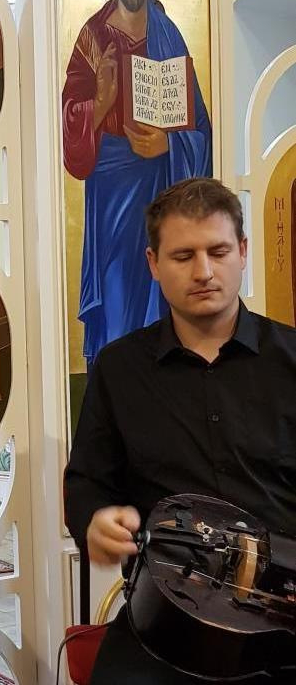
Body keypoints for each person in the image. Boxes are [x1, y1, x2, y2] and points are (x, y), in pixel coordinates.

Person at [64, 177, 296, 684]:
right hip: (166, 621)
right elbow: (86, 482)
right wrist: (96, 519)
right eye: (183, 255)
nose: (204, 271)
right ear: (153, 263)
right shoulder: (119, 368)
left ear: (243, 251)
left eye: (218, 251)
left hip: (284, 617)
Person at [62, 0, 212, 365]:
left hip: (160, 190)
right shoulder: (93, 36)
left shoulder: (168, 34)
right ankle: (115, 390)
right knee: (115, 294)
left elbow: (201, 128)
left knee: (160, 293)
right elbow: (69, 122)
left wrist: (169, 145)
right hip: (111, 192)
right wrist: (101, 102)